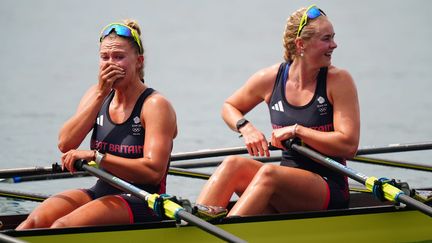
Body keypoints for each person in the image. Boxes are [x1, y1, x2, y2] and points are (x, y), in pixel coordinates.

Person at [196, 5, 360, 217]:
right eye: (326, 39)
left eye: (333, 37)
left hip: (328, 187)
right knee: (232, 164)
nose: (334, 45)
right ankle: (193, 229)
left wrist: (297, 131)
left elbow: (349, 145)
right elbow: (229, 107)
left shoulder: (338, 81)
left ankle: (222, 232)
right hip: (285, 185)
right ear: (301, 44)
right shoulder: (270, 79)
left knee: (269, 172)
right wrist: (246, 128)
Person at [17, 19, 177, 229]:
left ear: (139, 61)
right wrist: (101, 93)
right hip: (101, 190)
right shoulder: (96, 94)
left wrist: (96, 157)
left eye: (119, 57)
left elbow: (153, 171)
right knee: (33, 223)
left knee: (61, 227)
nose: (111, 64)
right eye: (105, 57)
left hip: (143, 199)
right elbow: (65, 143)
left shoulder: (155, 105)